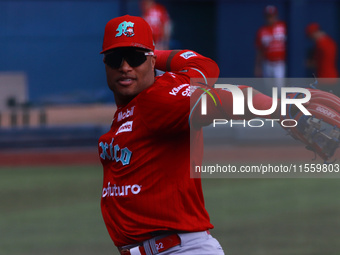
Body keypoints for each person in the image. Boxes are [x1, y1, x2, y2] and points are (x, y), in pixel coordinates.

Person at [98, 15, 339, 255]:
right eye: (115, 58)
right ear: (105, 64)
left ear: (152, 62)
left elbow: (219, 100)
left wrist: (279, 107)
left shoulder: (159, 100)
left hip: (177, 250)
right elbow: (205, 65)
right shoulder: (140, 104)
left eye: (135, 57)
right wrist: (145, 53)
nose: (125, 66)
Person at [305, 22, 339, 96]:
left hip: (324, 78)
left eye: (311, 35)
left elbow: (317, 62)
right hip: (332, 76)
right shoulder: (330, 41)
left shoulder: (320, 44)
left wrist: (310, 63)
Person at [254, 5, 287, 79]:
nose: (270, 19)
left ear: (276, 16)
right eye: (268, 16)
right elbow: (259, 50)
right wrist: (258, 66)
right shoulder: (262, 31)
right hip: (267, 63)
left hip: (280, 63)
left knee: (279, 87)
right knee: (268, 87)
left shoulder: (283, 26)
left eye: (272, 16)